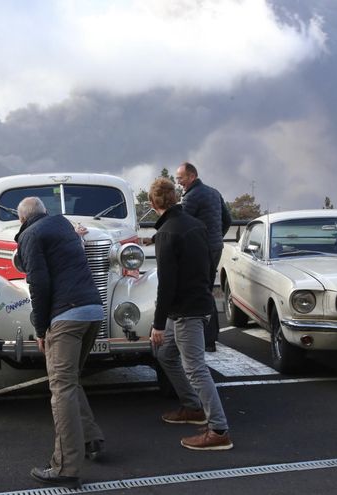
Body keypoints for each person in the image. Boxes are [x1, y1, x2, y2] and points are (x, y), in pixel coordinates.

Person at [14, 197, 105, 490]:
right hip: (94, 310)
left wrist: (40, 328)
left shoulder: (30, 235)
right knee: (71, 381)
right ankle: (90, 438)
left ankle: (65, 467)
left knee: (61, 388)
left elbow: (38, 283)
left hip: (66, 316)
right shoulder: (63, 226)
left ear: (23, 220)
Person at [149, 178, 233, 451]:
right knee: (165, 354)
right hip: (198, 303)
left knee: (195, 368)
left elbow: (166, 284)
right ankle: (192, 406)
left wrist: (158, 324)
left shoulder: (166, 233)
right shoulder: (196, 225)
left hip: (185, 311)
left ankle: (218, 429)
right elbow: (210, 262)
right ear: (175, 198)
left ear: (153, 204)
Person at [175, 162, 231, 352]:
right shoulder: (214, 192)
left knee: (201, 291)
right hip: (216, 247)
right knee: (206, 289)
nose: (178, 182)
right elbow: (228, 220)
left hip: (202, 250)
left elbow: (180, 224)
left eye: (180, 178)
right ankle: (211, 338)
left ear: (192, 176)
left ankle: (207, 339)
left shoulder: (191, 197)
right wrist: (216, 238)